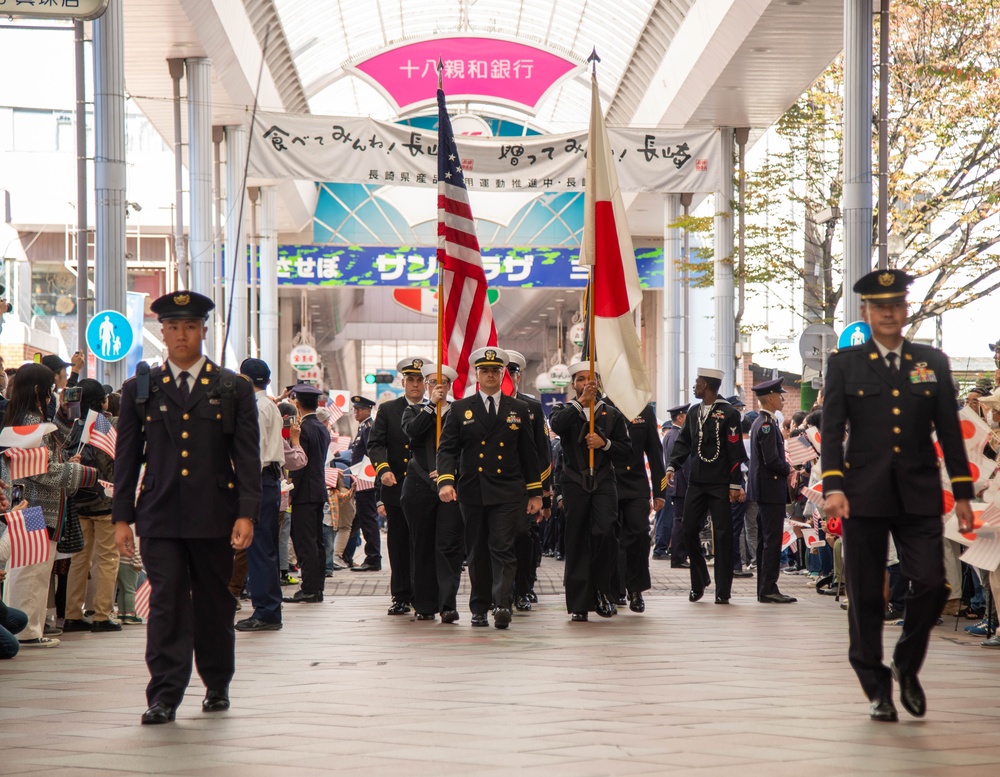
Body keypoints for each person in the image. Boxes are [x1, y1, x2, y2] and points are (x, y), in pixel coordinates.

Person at [821, 269, 974, 723]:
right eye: (878, 305)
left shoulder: (932, 361)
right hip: (861, 494)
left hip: (919, 490)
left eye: (896, 305)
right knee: (867, 594)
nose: (888, 313)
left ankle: (906, 664)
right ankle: (876, 685)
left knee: (931, 583)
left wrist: (963, 493)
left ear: (905, 310)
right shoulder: (844, 364)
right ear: (865, 311)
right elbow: (831, 430)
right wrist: (832, 484)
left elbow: (949, 429)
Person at [113, 290, 261, 725]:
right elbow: (126, 457)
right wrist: (122, 518)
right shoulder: (141, 389)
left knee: (215, 602)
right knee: (167, 603)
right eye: (174, 327)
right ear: (163, 332)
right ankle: (164, 695)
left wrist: (246, 512)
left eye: (190, 326)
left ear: (204, 330)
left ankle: (217, 682)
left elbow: (247, 456)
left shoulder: (232, 387)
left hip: (215, 513)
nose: (182, 335)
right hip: (158, 514)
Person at [436, 348, 543, 629]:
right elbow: (447, 449)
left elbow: (528, 454)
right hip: (473, 491)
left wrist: (535, 493)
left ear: (502, 374)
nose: (491, 375)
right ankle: (479, 607)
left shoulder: (518, 409)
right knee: (477, 551)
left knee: (503, 548)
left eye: (496, 371)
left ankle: (502, 605)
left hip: (508, 491)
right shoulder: (461, 409)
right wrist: (446, 480)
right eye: (485, 371)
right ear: (477, 375)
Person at [4, 363, 99, 648]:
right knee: (31, 570)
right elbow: (42, 470)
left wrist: (67, 467)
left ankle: (25, 627)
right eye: (50, 388)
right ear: (37, 389)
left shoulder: (21, 418)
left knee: (28, 569)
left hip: (27, 506)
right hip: (35, 508)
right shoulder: (31, 423)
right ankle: (27, 631)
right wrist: (82, 474)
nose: (52, 395)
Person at [549, 362, 632, 621]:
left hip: (604, 482)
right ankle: (578, 603)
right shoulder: (564, 410)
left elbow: (626, 449)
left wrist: (604, 443)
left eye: (590, 379)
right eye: (580, 379)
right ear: (573, 384)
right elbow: (558, 425)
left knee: (605, 532)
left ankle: (603, 592)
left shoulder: (611, 414)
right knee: (576, 539)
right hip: (575, 483)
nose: (586, 383)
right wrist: (580, 404)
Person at [665, 367, 748, 605]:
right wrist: (672, 465)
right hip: (697, 483)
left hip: (721, 483)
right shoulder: (693, 412)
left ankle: (723, 590)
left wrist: (735, 483)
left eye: (697, 382)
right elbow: (684, 443)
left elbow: (734, 449)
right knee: (689, 528)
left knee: (723, 535)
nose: (694, 385)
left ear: (707, 385)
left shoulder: (729, 412)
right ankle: (699, 579)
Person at [400, 363, 465, 623]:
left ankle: (447, 603)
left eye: (442, 383)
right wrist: (430, 407)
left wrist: (449, 471)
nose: (437, 387)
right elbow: (412, 433)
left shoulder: (460, 411)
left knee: (449, 546)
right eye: (431, 382)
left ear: (449, 386)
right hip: (419, 486)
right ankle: (425, 603)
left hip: (450, 486)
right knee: (422, 545)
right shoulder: (414, 410)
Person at [367, 357, 428, 615]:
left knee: (423, 543)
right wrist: (383, 469)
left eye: (420, 380)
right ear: (403, 382)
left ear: (426, 384)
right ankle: (401, 595)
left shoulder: (436, 409)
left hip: (426, 488)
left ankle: (423, 595)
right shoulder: (389, 408)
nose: (415, 384)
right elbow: (375, 444)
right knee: (399, 543)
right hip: (397, 486)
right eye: (410, 379)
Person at [62, 380, 122, 633]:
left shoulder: (75, 426)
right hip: (104, 501)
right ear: (102, 400)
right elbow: (113, 462)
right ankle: (101, 615)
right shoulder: (104, 426)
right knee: (107, 558)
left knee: (79, 559)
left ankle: (72, 614)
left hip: (79, 501)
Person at [235, 358, 285, 632]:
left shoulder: (256, 408)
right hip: (267, 480)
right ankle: (268, 608)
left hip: (258, 480)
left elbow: (253, 452)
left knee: (259, 548)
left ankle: (266, 611)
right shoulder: (269, 406)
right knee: (264, 548)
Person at [505, 350, 552, 611]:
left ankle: (523, 589)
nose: (509, 377)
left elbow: (543, 452)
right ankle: (501, 590)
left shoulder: (532, 407)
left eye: (512, 372)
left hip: (526, 488)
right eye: (505, 372)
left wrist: (542, 492)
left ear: (519, 376)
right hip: (498, 486)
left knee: (524, 538)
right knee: (500, 540)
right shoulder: (490, 405)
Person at [611, 399, 665, 613]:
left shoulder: (644, 410)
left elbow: (654, 452)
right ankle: (614, 589)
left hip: (635, 485)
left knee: (640, 536)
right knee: (611, 537)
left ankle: (635, 590)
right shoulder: (602, 406)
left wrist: (660, 492)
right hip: (609, 483)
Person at [747, 378, 796, 605]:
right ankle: (768, 588)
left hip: (765, 489)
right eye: (779, 395)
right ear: (769, 398)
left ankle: (765, 587)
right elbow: (771, 459)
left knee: (766, 540)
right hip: (770, 489)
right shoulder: (766, 424)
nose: (783, 398)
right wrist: (788, 469)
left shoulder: (763, 422)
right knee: (771, 540)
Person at [283, 384, 330, 605]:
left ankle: (309, 588)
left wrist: (291, 490)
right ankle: (318, 587)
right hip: (319, 490)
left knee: (305, 541)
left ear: (297, 403)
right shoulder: (321, 427)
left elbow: (298, 463)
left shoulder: (302, 429)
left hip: (305, 492)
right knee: (317, 541)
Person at [348, 396, 381, 571]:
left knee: (368, 519)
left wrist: (362, 480)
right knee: (363, 518)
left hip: (366, 481)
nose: (356, 412)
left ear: (368, 410)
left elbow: (369, 455)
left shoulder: (369, 427)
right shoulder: (363, 427)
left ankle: (373, 558)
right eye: (355, 409)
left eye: (360, 409)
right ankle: (366, 556)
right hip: (360, 479)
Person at [661, 404, 690, 569]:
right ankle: (678, 557)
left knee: (679, 519)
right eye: (685, 415)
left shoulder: (671, 434)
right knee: (680, 520)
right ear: (680, 417)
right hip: (680, 483)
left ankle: (679, 556)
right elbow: (682, 463)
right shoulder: (676, 435)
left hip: (677, 483)